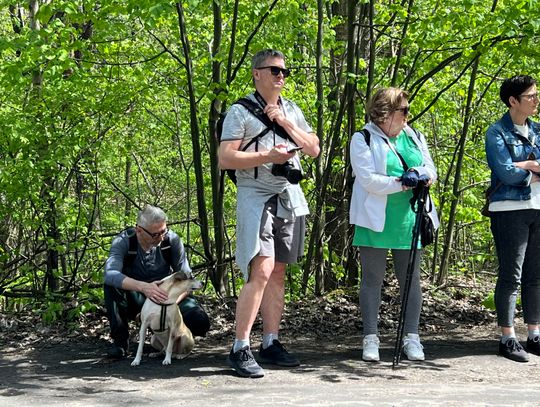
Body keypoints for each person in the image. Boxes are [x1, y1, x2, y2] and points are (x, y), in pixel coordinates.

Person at [218, 49, 320, 378]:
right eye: (274, 70)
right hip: (255, 194)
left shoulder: (291, 109)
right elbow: (226, 159)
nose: (280, 76)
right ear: (256, 74)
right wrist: (267, 157)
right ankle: (240, 346)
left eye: (284, 72)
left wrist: (284, 121)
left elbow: (313, 149)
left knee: (277, 272)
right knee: (259, 271)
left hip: (287, 196)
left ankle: (271, 342)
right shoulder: (239, 110)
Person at [349, 87, 438, 362]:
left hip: (410, 219)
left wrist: (420, 174)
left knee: (411, 282)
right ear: (384, 113)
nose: (407, 116)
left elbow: (431, 170)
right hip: (374, 219)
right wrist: (402, 183)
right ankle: (371, 338)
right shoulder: (362, 138)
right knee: (372, 281)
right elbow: (368, 179)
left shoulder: (414, 136)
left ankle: (411, 337)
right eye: (403, 111)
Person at [103, 205, 210, 359]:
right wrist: (143, 287)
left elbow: (187, 279)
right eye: (155, 234)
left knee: (200, 322)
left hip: (168, 298)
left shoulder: (171, 241)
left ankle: (173, 340)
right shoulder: (124, 242)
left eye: (163, 231)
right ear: (139, 230)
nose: (161, 237)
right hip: (138, 296)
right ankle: (120, 342)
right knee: (111, 286)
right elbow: (110, 274)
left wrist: (167, 305)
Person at [485, 74, 540, 363]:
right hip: (509, 210)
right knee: (511, 275)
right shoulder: (496, 132)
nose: (536, 100)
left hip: (538, 207)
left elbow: (511, 169)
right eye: (530, 96)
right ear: (513, 101)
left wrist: (523, 165)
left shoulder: (539, 130)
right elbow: (504, 172)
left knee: (536, 276)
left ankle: (534, 334)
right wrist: (532, 167)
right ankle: (507, 337)